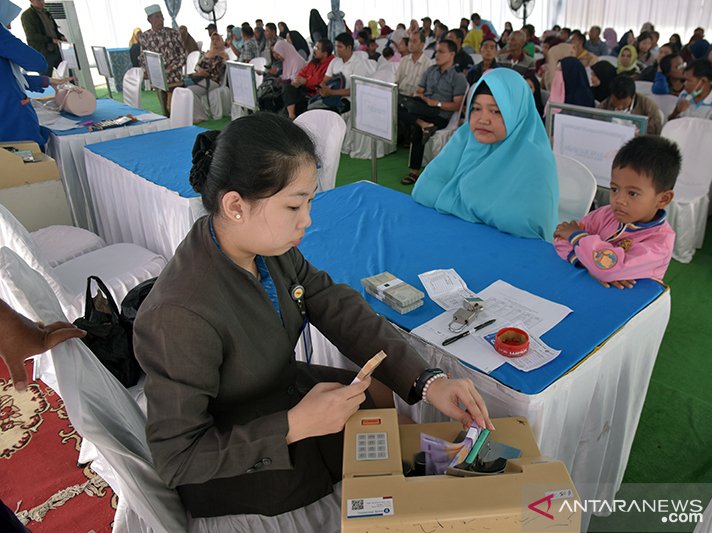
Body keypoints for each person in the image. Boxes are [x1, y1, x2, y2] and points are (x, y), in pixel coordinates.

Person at [133, 113, 492, 520]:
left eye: (309, 202)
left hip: (280, 395)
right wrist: (292, 426)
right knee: (381, 432)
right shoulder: (180, 315)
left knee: (377, 396)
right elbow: (178, 458)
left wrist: (429, 382)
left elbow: (334, 304)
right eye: (293, 205)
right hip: (245, 462)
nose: (307, 220)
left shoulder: (265, 249)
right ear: (235, 205)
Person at [412, 69, 557, 240]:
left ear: (517, 112)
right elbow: (423, 189)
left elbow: (525, 223)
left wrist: (452, 198)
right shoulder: (466, 137)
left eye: (496, 111)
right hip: (456, 238)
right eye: (476, 108)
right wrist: (483, 207)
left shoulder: (535, 158)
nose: (483, 119)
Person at [554, 136, 680, 287]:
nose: (618, 200)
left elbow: (608, 269)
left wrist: (576, 237)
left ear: (663, 199)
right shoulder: (605, 214)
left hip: (629, 303)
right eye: (615, 189)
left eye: (632, 193)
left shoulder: (660, 242)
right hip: (588, 287)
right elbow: (560, 239)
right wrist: (589, 267)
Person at [398, 39, 467, 185]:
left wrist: (436, 103)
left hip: (441, 114)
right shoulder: (431, 70)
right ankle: (424, 124)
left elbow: (457, 105)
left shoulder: (458, 77)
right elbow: (420, 90)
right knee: (397, 103)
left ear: (452, 54)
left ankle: (414, 172)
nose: (437, 55)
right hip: (424, 107)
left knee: (415, 128)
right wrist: (422, 97)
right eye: (436, 51)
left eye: (441, 52)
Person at [1, 2, 60, 150]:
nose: (9, 27)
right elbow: (37, 63)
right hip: (11, 126)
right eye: (7, 21)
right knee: (31, 168)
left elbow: (7, 78)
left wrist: (46, 81)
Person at [310, 32, 374, 114]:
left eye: (340, 47)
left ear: (349, 48)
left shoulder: (358, 64)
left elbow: (355, 90)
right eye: (336, 46)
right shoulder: (335, 61)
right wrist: (321, 87)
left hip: (348, 100)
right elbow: (325, 80)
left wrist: (331, 92)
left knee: (319, 110)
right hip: (331, 95)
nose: (336, 49)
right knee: (311, 106)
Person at [139, 4, 185, 115]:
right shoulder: (145, 37)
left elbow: (183, 55)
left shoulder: (173, 34)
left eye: (162, 16)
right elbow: (143, 58)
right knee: (165, 110)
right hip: (157, 79)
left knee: (174, 109)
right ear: (149, 19)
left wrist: (169, 69)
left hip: (174, 77)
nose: (161, 19)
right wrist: (146, 71)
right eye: (157, 17)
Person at [668, 59, 712, 128]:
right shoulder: (684, 94)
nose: (685, 84)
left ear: (703, 81)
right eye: (684, 80)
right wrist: (676, 111)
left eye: (689, 81)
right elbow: (670, 125)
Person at [284, 39, 334, 119]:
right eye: (314, 47)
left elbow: (322, 81)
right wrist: (298, 80)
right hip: (304, 90)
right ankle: (291, 115)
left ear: (325, 53)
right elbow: (302, 72)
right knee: (288, 88)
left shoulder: (331, 64)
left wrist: (306, 81)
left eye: (317, 48)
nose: (314, 50)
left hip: (316, 95)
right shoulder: (314, 61)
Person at [185, 32, 227, 123]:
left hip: (213, 80)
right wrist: (199, 71)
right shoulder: (208, 53)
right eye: (213, 39)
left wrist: (203, 72)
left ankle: (200, 116)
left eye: (217, 39)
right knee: (187, 89)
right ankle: (195, 114)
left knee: (191, 91)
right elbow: (197, 65)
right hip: (201, 77)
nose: (215, 42)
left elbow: (218, 69)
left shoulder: (223, 55)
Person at [20, 0, 65, 75]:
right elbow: (31, 36)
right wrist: (51, 40)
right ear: (31, 1)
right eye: (39, 0)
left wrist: (61, 36)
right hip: (43, 52)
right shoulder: (27, 15)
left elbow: (54, 30)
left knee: (65, 74)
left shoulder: (47, 13)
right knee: (46, 78)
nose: (42, 2)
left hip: (56, 49)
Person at [396, 31, 434, 96]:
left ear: (422, 45)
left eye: (414, 41)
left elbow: (429, 88)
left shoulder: (428, 64)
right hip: (401, 95)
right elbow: (396, 81)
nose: (411, 44)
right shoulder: (403, 60)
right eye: (410, 41)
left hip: (417, 99)